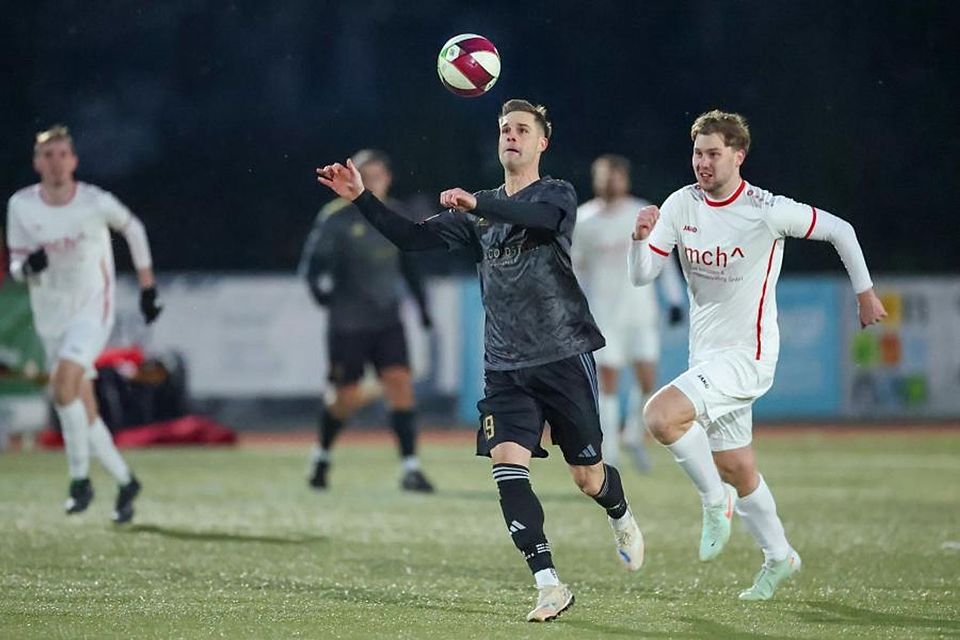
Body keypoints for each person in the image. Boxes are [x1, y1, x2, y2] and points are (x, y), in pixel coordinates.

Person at [317, 99, 645, 623]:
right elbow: (412, 237)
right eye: (504, 130)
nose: (511, 136)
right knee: (507, 468)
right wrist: (362, 199)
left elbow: (538, 218)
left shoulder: (555, 194)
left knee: (587, 477)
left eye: (522, 129)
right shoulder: (482, 207)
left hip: (562, 355)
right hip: (505, 366)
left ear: (542, 142)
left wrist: (477, 207)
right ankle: (548, 583)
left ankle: (620, 512)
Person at [628, 110, 887, 600]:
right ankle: (780, 557)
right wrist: (638, 240)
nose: (702, 163)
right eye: (697, 153)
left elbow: (841, 230)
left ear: (738, 155)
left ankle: (712, 502)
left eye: (713, 154)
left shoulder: (766, 209)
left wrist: (865, 292)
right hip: (705, 359)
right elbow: (643, 275)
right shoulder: (682, 204)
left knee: (660, 417)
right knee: (738, 468)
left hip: (748, 356)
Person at [5, 125, 163, 523]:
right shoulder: (21, 205)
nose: (56, 163)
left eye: (62, 155)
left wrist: (147, 289)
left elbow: (134, 228)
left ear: (73, 160)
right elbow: (16, 265)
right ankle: (126, 481)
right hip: (50, 316)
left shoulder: (94, 201)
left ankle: (79, 480)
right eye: (48, 156)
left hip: (93, 311)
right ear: (37, 162)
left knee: (62, 389)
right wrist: (28, 268)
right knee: (82, 407)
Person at [300, 149, 435, 493]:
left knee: (400, 386)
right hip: (347, 323)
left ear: (389, 178)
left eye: (378, 174)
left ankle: (410, 467)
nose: (373, 180)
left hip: (387, 318)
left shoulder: (398, 214)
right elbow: (312, 267)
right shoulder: (336, 218)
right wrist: (323, 294)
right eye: (366, 174)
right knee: (345, 397)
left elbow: (410, 265)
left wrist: (422, 308)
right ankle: (322, 457)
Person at [572, 154, 685, 472]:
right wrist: (573, 307)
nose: (610, 181)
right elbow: (575, 269)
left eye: (615, 175)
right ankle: (610, 452)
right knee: (607, 381)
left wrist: (674, 300)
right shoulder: (583, 219)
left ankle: (634, 434)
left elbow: (664, 260)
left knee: (648, 379)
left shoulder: (642, 211)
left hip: (640, 310)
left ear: (625, 178)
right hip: (602, 315)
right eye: (604, 175)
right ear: (595, 179)